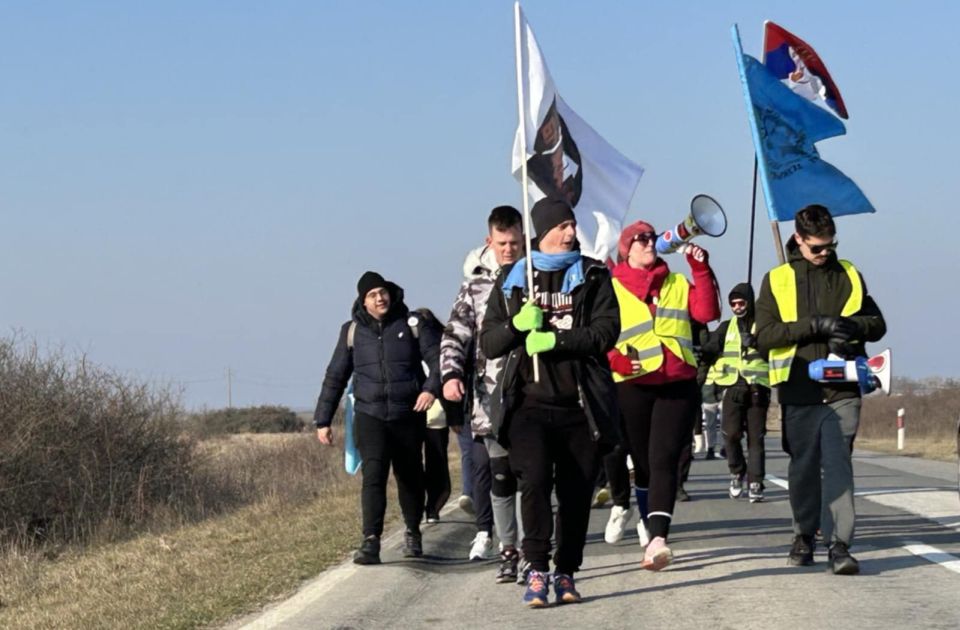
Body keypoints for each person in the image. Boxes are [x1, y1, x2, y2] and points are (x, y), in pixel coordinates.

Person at [480, 195, 620, 607]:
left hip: (580, 405)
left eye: (572, 225)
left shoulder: (593, 276)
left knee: (576, 493)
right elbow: (489, 343)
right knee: (535, 481)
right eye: (562, 226)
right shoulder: (513, 280)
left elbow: (606, 332)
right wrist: (516, 326)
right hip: (527, 404)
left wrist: (556, 340)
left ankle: (566, 571)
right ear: (543, 232)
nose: (571, 232)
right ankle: (537, 569)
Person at [755, 204, 886, 575]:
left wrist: (851, 327)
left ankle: (839, 545)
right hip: (799, 390)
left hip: (843, 388)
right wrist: (814, 325)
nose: (825, 252)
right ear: (798, 239)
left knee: (838, 464)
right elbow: (765, 336)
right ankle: (803, 536)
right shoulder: (776, 279)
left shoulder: (849, 274)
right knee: (804, 469)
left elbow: (877, 323)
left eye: (830, 245)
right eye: (817, 247)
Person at [606, 220, 719, 570]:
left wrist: (701, 269)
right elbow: (599, 334)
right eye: (640, 239)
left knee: (663, 459)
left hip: (677, 383)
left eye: (652, 237)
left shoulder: (675, 282)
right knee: (642, 465)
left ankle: (657, 540)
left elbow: (708, 313)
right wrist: (615, 359)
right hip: (633, 384)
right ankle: (645, 521)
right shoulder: (610, 287)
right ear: (626, 249)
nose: (649, 242)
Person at [314, 271, 440, 564]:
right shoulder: (352, 331)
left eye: (382, 292)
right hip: (370, 414)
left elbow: (437, 360)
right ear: (363, 300)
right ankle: (371, 540)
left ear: (390, 293)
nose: (379, 298)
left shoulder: (412, 324)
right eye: (372, 295)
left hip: (409, 412)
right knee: (373, 476)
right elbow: (335, 376)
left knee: (410, 475)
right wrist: (323, 419)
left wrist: (430, 389)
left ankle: (412, 531)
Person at [441, 205, 526, 579]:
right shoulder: (474, 287)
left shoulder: (539, 277)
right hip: (492, 397)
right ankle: (509, 548)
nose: (508, 249)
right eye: (502, 242)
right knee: (502, 474)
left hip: (536, 391)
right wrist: (449, 375)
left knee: (535, 476)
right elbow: (455, 334)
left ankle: (533, 550)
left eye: (515, 242)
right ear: (489, 241)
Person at [704, 284, 771, 503]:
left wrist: (757, 344)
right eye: (733, 304)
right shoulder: (727, 327)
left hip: (757, 389)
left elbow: (776, 349)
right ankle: (736, 472)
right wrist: (705, 350)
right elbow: (712, 347)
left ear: (750, 302)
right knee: (730, 435)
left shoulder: (764, 325)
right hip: (732, 388)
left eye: (741, 303)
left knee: (756, 439)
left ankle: (755, 481)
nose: (737, 307)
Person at [415, 308, 458, 524]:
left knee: (432, 462)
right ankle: (430, 506)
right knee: (434, 462)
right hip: (428, 413)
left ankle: (432, 506)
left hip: (432, 412)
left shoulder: (431, 349)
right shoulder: (439, 346)